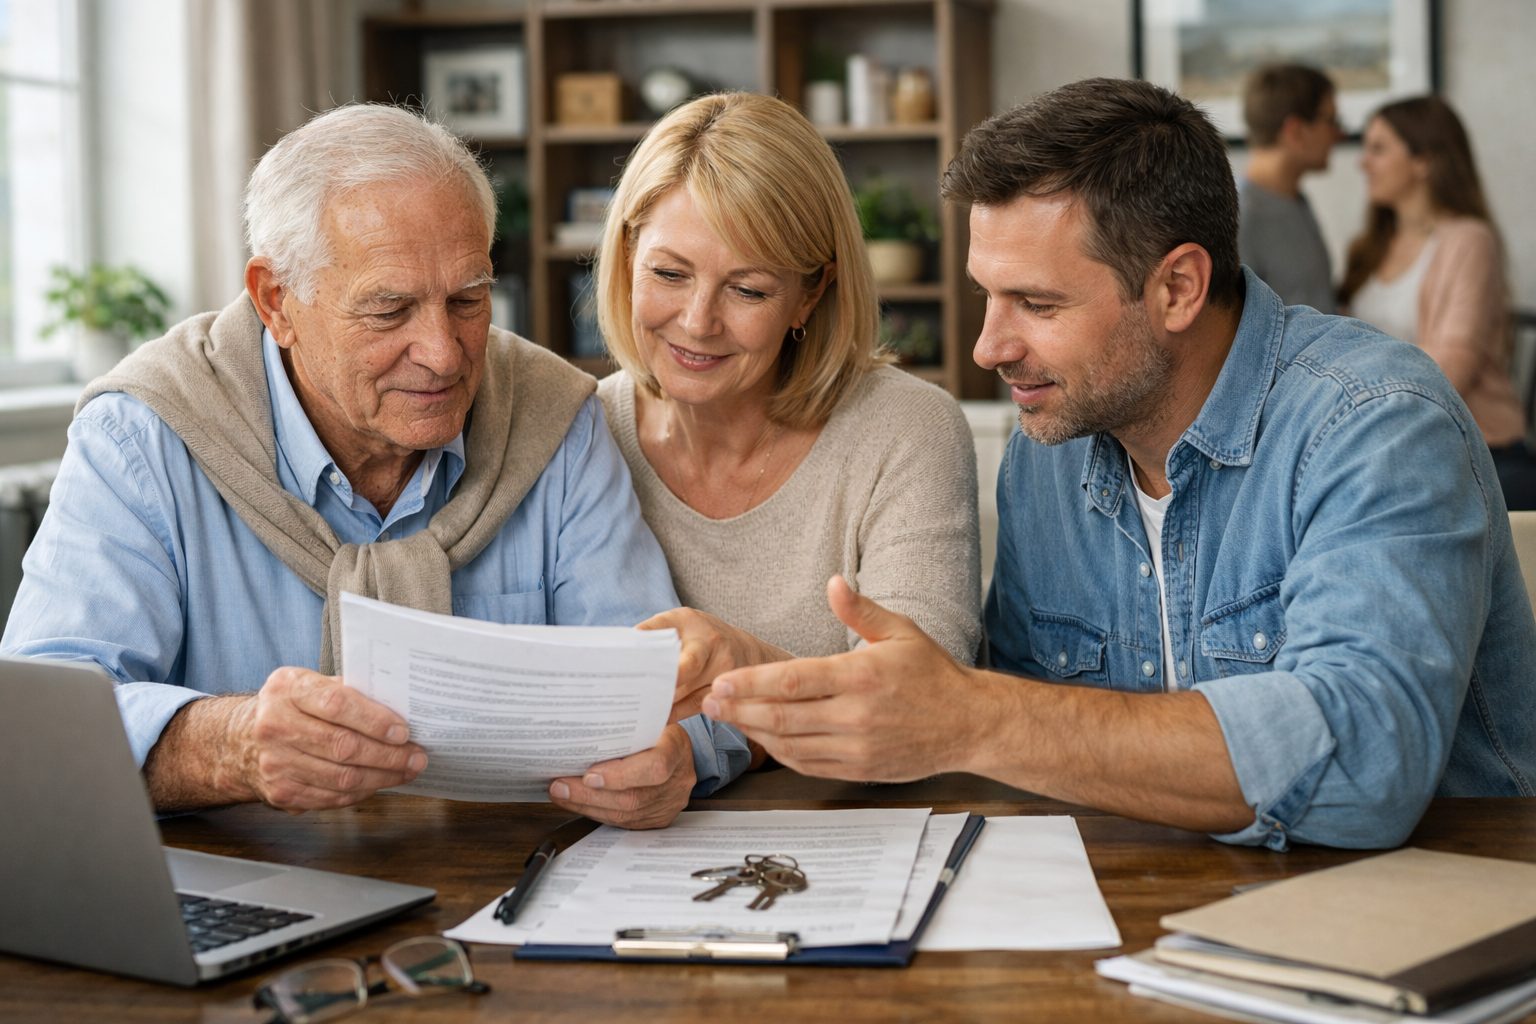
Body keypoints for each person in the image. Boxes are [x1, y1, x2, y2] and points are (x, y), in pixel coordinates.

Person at [700, 78, 1536, 851]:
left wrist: (971, 717)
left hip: (1431, 931)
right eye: (988, 294)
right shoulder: (1052, 451)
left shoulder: (1375, 423)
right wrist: (786, 691)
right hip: (1154, 917)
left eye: (1037, 303)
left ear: (1177, 288)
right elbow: (1036, 733)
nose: (990, 346)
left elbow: (1368, 763)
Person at [0, 103, 738, 829]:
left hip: (506, 889)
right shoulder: (143, 436)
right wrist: (231, 746)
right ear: (276, 301)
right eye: (389, 311)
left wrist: (671, 758)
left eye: (469, 299)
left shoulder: (555, 419)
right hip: (242, 895)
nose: (445, 354)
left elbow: (666, 691)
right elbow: (39, 722)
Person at [562, 92, 979, 782]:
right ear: (627, 256)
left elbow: (924, 708)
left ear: (810, 295)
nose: (697, 322)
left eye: (748, 290)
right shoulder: (584, 431)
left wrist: (743, 676)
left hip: (867, 839)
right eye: (668, 274)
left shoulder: (907, 431)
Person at [1340, 95, 1536, 510]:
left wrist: (1355, 397)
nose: (1362, 162)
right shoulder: (1369, 248)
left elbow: (1453, 367)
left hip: (1474, 446)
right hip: (1384, 442)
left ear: (1423, 161)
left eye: (1378, 148)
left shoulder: (1468, 240)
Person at [1237, 64, 1342, 312]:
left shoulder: (1295, 200)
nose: (1338, 134)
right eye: (1331, 121)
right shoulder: (1242, 217)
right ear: (1295, 131)